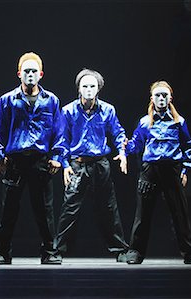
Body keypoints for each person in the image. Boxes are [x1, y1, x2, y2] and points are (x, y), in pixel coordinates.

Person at [0, 52, 65, 265]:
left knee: (44, 210)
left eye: (34, 71)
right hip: (15, 160)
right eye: (26, 71)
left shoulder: (51, 100)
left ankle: (49, 251)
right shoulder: (7, 100)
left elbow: (58, 132)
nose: (30, 75)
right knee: (9, 209)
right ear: (19, 74)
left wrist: (57, 156)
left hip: (39, 161)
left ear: (40, 74)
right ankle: (2, 251)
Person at [55, 69, 130, 262]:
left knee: (108, 206)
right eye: (85, 86)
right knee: (70, 207)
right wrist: (64, 164)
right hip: (78, 164)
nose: (89, 90)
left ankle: (120, 249)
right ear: (79, 89)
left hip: (100, 164)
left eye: (92, 86)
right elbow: (62, 139)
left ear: (98, 89)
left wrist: (122, 153)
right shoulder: (68, 110)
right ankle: (57, 249)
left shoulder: (108, 110)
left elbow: (118, 133)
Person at [124, 80, 191, 264]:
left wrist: (185, 169)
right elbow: (136, 144)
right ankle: (135, 251)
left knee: (179, 213)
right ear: (152, 98)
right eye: (158, 95)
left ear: (170, 98)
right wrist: (125, 148)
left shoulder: (178, 121)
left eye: (164, 95)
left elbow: (188, 146)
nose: (161, 98)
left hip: (171, 169)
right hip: (150, 170)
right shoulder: (144, 122)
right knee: (143, 214)